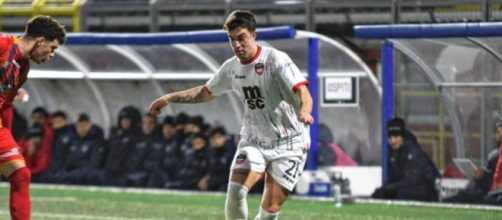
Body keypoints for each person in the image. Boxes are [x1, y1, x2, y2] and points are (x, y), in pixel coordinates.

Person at [148, 10, 313, 220]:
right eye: (231, 39)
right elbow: (205, 92)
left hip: (290, 143)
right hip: (254, 140)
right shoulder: (231, 68)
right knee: (235, 192)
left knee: (270, 210)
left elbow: (303, 92)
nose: (236, 45)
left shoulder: (276, 60)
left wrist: (305, 111)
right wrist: (169, 98)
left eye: (241, 37)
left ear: (254, 34)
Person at [0, 15, 65, 220]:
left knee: (21, 174)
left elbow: (6, 106)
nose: (52, 54)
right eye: (52, 48)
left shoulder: (22, 68)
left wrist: (8, 139)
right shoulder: (3, 44)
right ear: (40, 41)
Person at [372, 117, 440, 201]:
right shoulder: (392, 152)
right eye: (390, 137)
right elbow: (393, 179)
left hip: (429, 190)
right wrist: (384, 189)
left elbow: (411, 181)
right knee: (380, 194)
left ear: (402, 136)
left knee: (402, 193)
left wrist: (388, 188)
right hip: (407, 188)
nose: (392, 141)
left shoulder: (413, 151)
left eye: (396, 136)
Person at [199, 126, 237, 191]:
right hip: (212, 184)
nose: (216, 140)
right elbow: (207, 170)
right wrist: (205, 179)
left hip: (226, 185)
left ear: (224, 138)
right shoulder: (209, 152)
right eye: (213, 138)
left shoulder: (231, 153)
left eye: (219, 137)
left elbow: (231, 175)